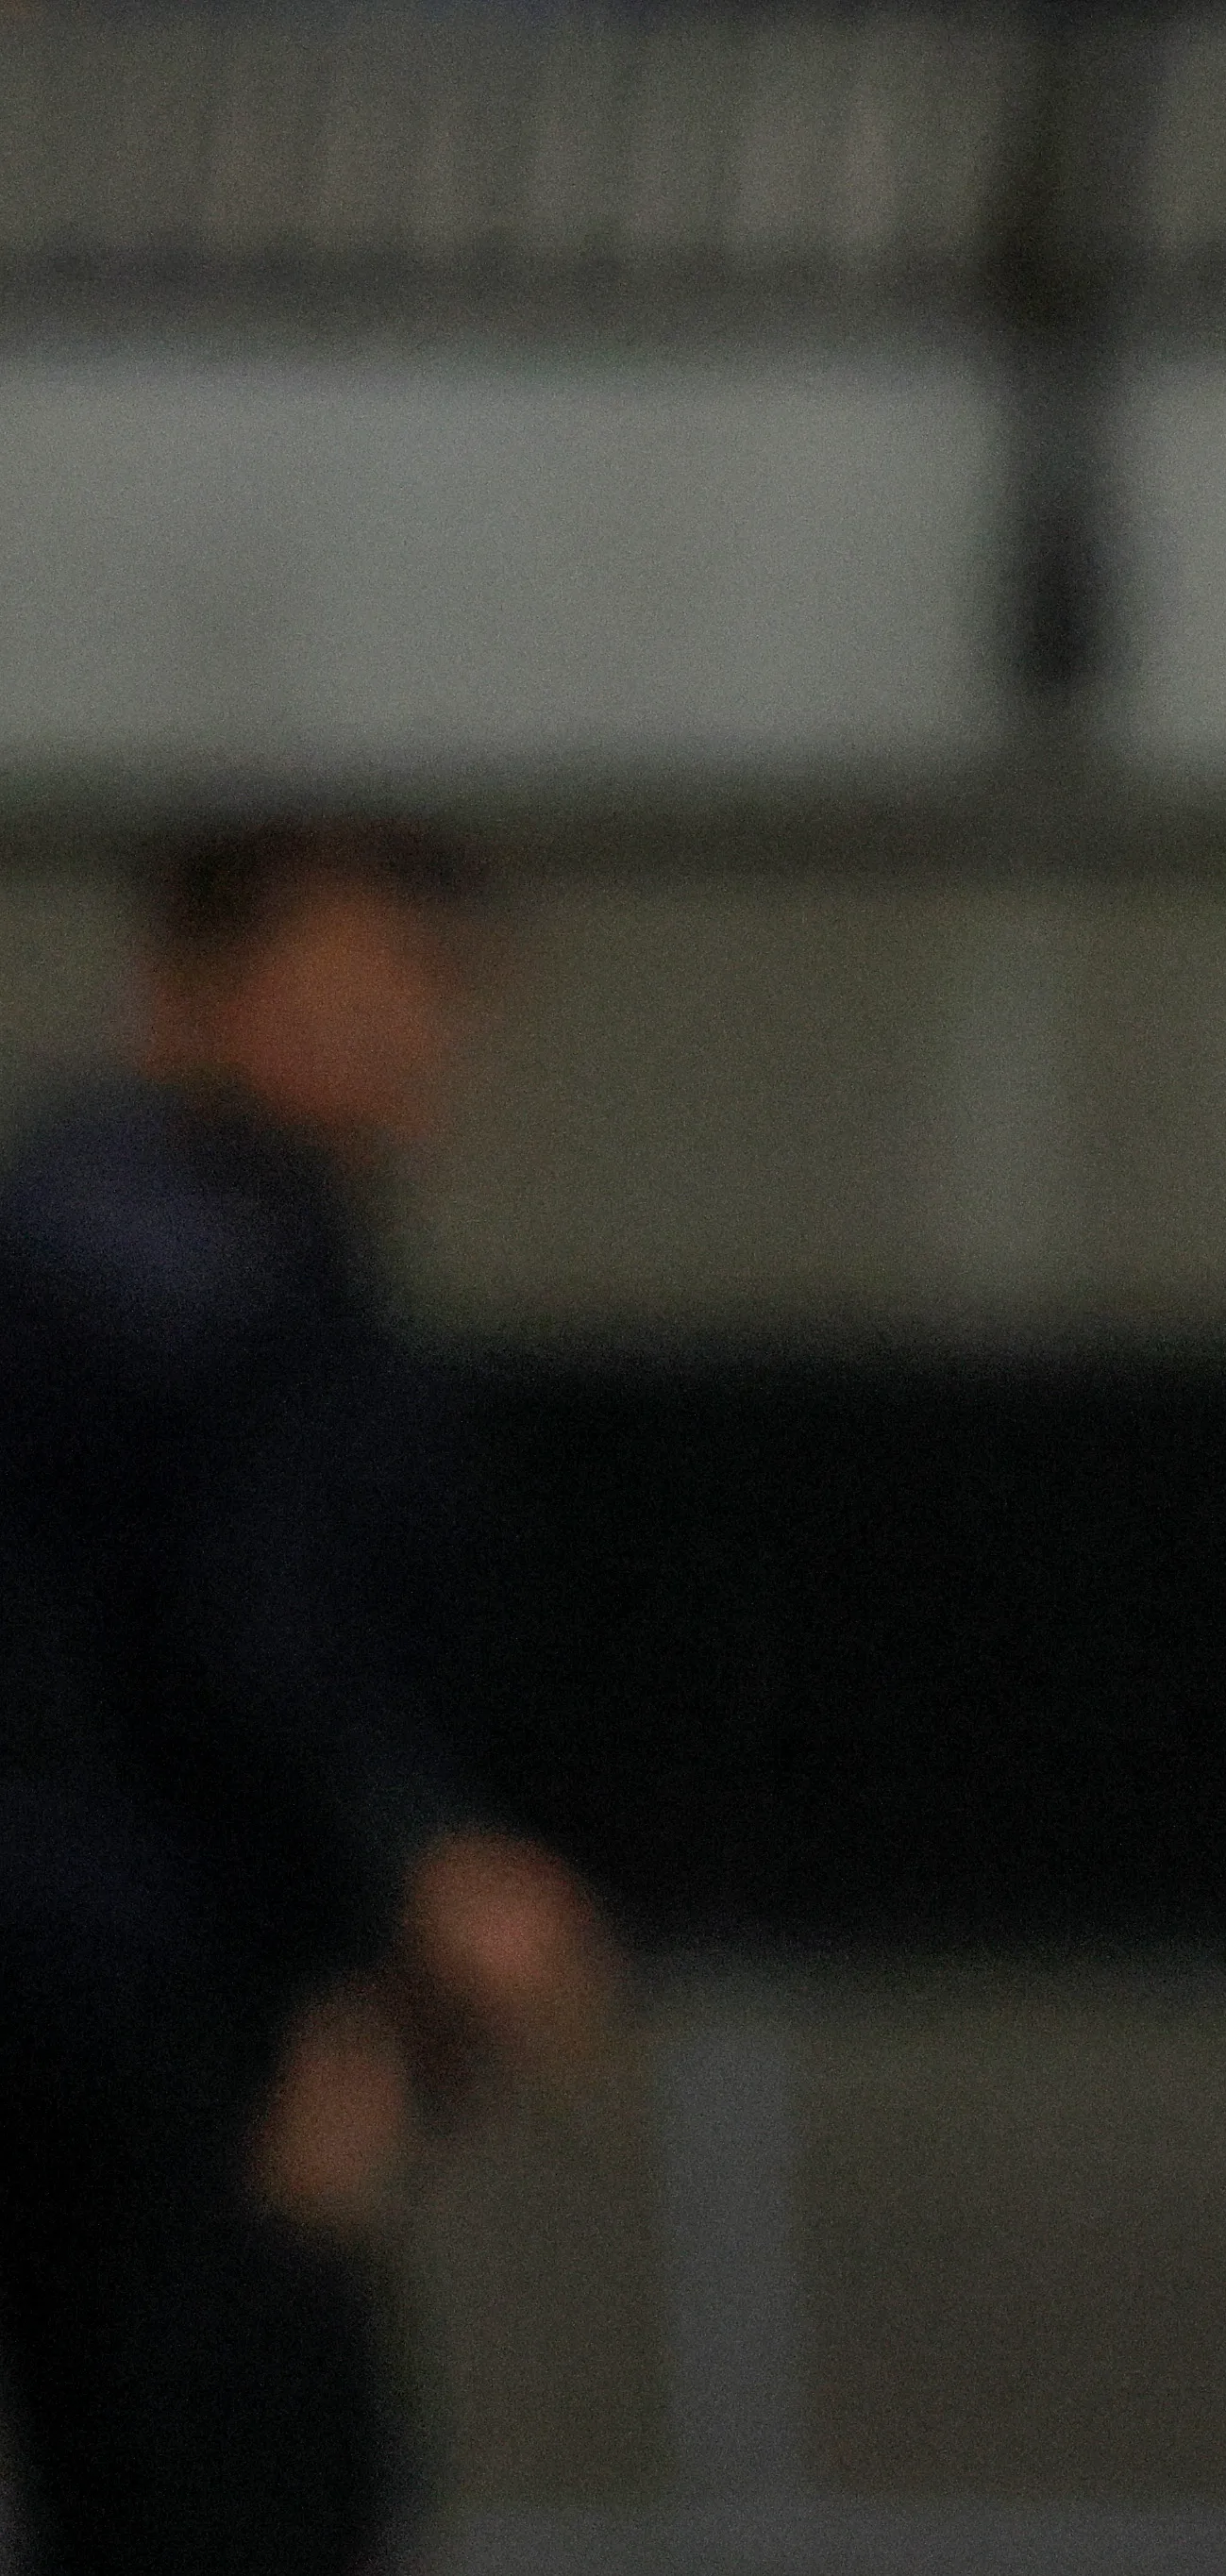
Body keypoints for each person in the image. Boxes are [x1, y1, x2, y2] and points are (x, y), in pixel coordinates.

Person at [0, 818, 614, 2575]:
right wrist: (391, 1902)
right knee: (239, 2468)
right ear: (196, 987)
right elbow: (236, 1647)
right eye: (366, 978)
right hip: (141, 1989)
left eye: (439, 990)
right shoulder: (169, 1266)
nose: (411, 1032)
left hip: (161, 1973)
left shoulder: (227, 1242)